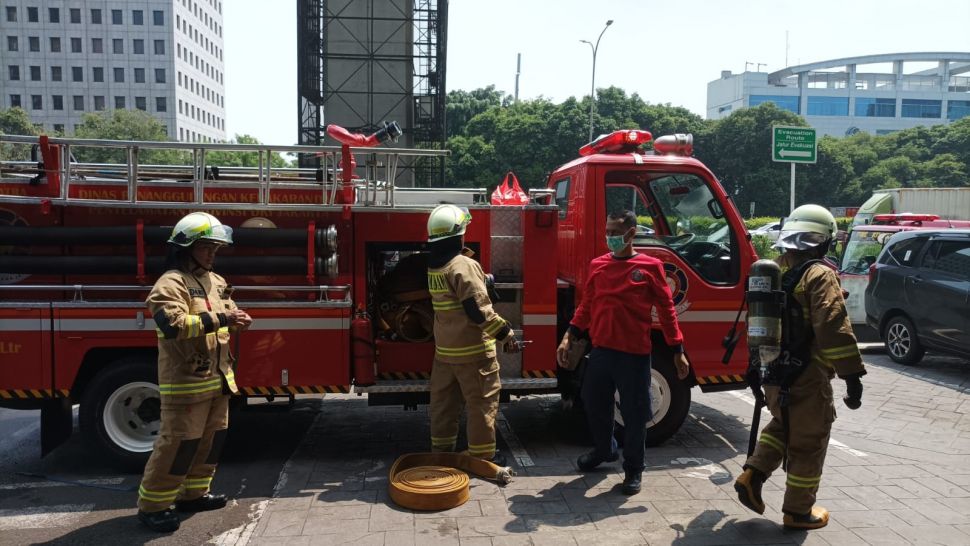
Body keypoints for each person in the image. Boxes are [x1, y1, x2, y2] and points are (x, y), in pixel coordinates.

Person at [734, 204, 865, 530]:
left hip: (774, 374)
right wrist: (851, 375)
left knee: (784, 425)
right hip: (808, 376)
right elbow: (833, 327)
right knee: (810, 440)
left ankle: (753, 474)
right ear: (825, 241)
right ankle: (797, 511)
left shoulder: (773, 272)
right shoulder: (819, 275)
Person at [557, 210, 690, 495]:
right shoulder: (598, 266)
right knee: (592, 402)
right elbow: (587, 307)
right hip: (602, 351)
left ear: (631, 234)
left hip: (634, 355)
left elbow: (667, 311)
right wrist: (569, 337)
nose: (609, 237)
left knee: (635, 413)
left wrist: (677, 350)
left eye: (615, 232)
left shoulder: (651, 267)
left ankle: (633, 470)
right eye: (607, 231)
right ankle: (605, 450)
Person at [137, 212, 252, 532]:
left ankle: (194, 494)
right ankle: (154, 506)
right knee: (178, 443)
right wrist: (225, 320)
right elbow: (172, 325)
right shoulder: (170, 284)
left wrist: (239, 317)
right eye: (206, 247)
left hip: (217, 380)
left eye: (215, 247)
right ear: (184, 248)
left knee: (211, 441)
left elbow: (227, 314)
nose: (213, 253)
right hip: (186, 381)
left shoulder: (216, 282)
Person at [426, 204, 518, 464]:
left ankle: (441, 454)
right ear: (459, 234)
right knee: (481, 404)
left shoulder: (434, 266)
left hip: (445, 353)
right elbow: (478, 311)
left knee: (444, 406)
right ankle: (483, 456)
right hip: (473, 353)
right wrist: (506, 334)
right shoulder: (463, 265)